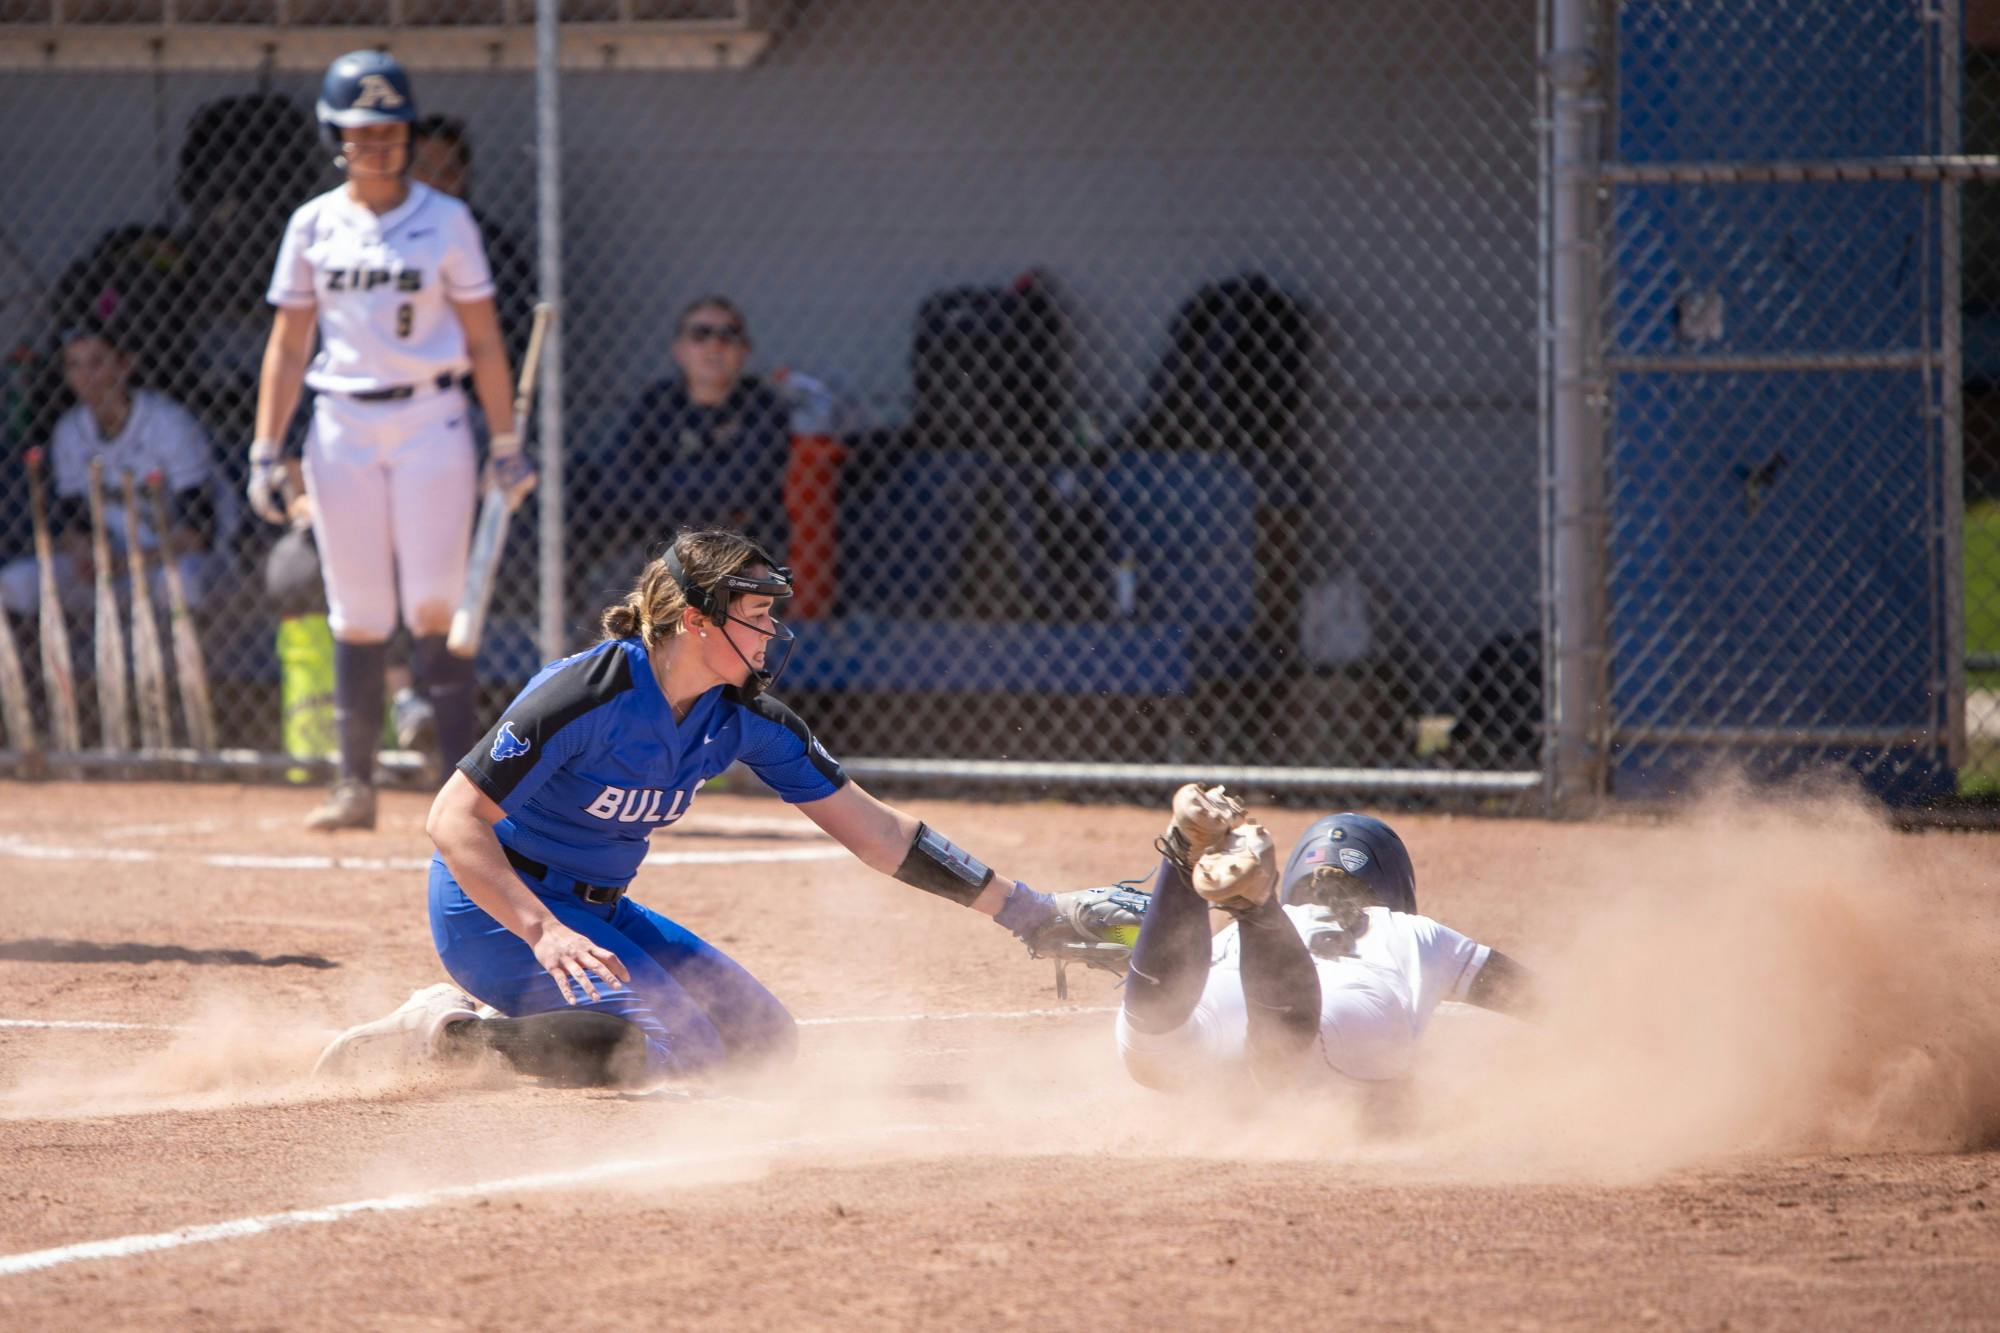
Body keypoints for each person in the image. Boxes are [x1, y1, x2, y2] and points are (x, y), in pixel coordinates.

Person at [310, 529, 1111, 1088]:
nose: (771, 632)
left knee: (763, 1043)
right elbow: (452, 818)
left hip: (595, 908)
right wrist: (541, 928)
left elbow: (877, 833)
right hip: (496, 907)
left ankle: (510, 1018)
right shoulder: (589, 691)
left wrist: (1031, 912)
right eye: (754, 615)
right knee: (672, 1047)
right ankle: (449, 1034)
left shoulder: (741, 715)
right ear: (695, 620)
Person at [245, 50, 533, 831]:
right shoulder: (313, 222)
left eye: (390, 130)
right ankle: (354, 784)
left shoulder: (446, 221)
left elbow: (483, 341)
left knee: (438, 604)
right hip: (340, 422)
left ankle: (456, 790)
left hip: (432, 420)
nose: (377, 145)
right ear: (336, 135)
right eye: (361, 132)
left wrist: (505, 438)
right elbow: (288, 344)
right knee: (359, 609)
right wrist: (266, 447)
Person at [1107, 785, 1537, 1096]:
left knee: (1154, 1045)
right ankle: (1258, 907)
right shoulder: (1411, 931)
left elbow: (1179, 971)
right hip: (1350, 1014)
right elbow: (1534, 997)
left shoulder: (1239, 935)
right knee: (1282, 1061)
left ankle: (1185, 857)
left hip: (1246, 983)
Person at [0, 320, 230, 617]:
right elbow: (74, 522)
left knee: (181, 583)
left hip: (174, 561)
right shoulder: (69, 432)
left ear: (125, 365)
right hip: (111, 570)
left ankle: (190, 660)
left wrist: (131, 563)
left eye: (96, 363)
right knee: (14, 583)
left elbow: (199, 531)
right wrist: (84, 552)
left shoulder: (169, 423)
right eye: (74, 366)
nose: (86, 377)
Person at [584, 297, 791, 577]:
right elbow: (615, 479)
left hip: (740, 543)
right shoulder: (657, 402)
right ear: (680, 351)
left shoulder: (764, 406)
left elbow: (741, 489)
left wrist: (663, 481)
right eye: (700, 334)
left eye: (727, 336)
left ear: (744, 351)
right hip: (653, 538)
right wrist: (698, 488)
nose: (714, 345)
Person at [407, 114, 536, 365]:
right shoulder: (378, 234)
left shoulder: (489, 244)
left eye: (448, 172)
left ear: (465, 175)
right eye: (423, 169)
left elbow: (512, 330)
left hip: (465, 383)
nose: (436, 183)